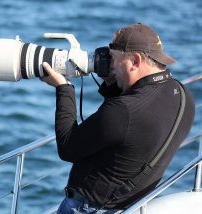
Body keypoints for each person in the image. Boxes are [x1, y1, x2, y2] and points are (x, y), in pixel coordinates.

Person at [41, 23, 195, 213]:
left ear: (136, 61)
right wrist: (113, 83)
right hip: (131, 205)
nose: (108, 65)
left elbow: (67, 148)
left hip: (89, 208)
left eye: (112, 58)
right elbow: (128, 130)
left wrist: (64, 89)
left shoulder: (123, 111)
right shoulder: (182, 94)